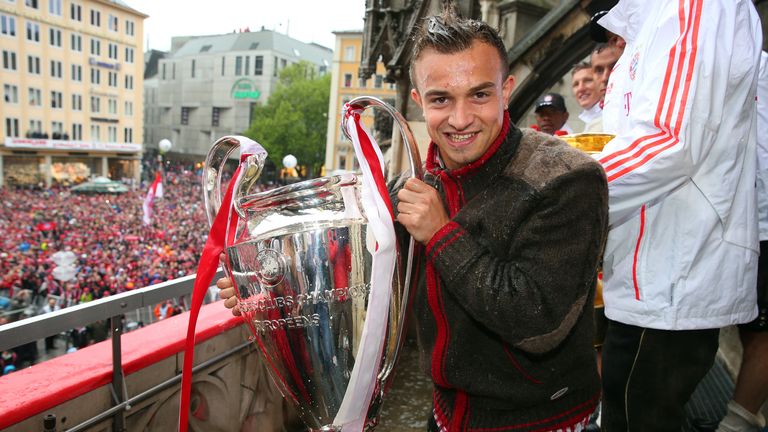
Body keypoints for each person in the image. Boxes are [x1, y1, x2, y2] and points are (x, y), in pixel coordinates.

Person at [220, 6, 608, 431]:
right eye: (441, 99)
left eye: (479, 94)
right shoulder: (413, 188)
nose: (460, 119)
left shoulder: (568, 178)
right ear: (419, 102)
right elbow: (348, 277)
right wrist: (273, 290)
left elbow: (538, 324)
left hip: (542, 419)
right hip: (445, 415)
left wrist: (442, 234)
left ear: (506, 90)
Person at [595, 1, 762, 431]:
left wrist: (559, 189)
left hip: (672, 272)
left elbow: (668, 141)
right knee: (628, 405)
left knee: (638, 414)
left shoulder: (693, 6)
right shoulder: (643, 25)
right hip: (647, 269)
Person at [716, 51, 768, 432]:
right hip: (727, 217)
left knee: (760, 332)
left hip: (760, 221)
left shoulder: (754, 63)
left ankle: (738, 423)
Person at [570, 62, 602, 132]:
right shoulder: (589, 120)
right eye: (576, 84)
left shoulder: (612, 115)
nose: (580, 88)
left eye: (588, 81)